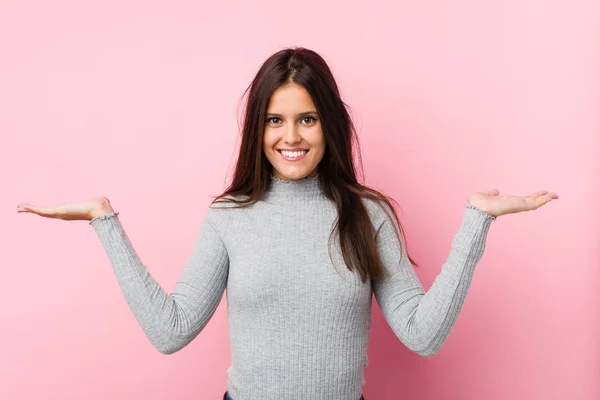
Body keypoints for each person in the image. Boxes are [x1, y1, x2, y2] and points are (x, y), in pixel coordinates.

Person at [17, 47, 558, 400]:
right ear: (258, 127)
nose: (291, 136)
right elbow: (171, 330)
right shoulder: (229, 216)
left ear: (329, 124)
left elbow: (423, 335)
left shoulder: (369, 214)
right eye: (275, 119)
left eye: (307, 118)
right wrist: (103, 221)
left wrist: (476, 223)